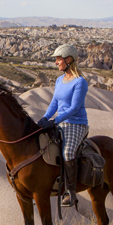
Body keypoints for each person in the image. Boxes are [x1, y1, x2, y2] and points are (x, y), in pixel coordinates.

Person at [37, 44, 89, 207]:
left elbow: (74, 108)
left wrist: (55, 121)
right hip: (60, 122)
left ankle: (70, 193)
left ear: (68, 60)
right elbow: (54, 103)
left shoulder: (80, 82)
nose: (56, 62)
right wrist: (45, 118)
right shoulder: (60, 80)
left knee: (67, 152)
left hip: (76, 123)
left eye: (58, 59)